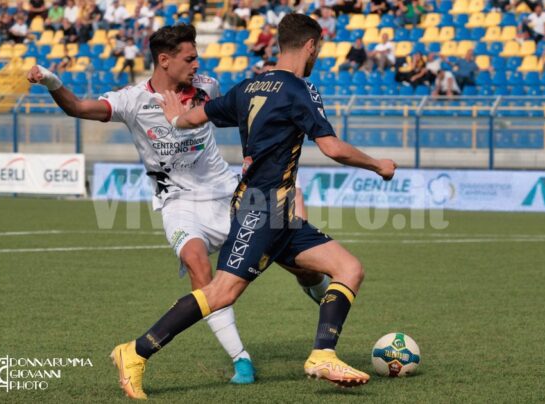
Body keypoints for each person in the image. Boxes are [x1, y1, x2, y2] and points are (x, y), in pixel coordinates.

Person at [26, 23, 331, 395]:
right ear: (164, 60)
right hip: (178, 204)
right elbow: (76, 107)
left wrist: (288, 185)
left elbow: (265, 133)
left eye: (197, 55)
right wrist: (51, 81)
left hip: (227, 195)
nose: (196, 62)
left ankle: (326, 312)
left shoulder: (209, 87)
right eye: (189, 57)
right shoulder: (131, 100)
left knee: (300, 265)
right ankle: (241, 359)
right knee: (198, 263)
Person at [109, 13, 397, 399]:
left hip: (277, 210)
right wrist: (378, 164)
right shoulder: (300, 90)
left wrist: (174, 118)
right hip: (259, 210)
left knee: (348, 268)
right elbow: (331, 147)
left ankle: (323, 354)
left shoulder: (247, 87)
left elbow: (195, 117)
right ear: (310, 46)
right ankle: (135, 351)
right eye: (318, 50)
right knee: (222, 293)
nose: (317, 56)